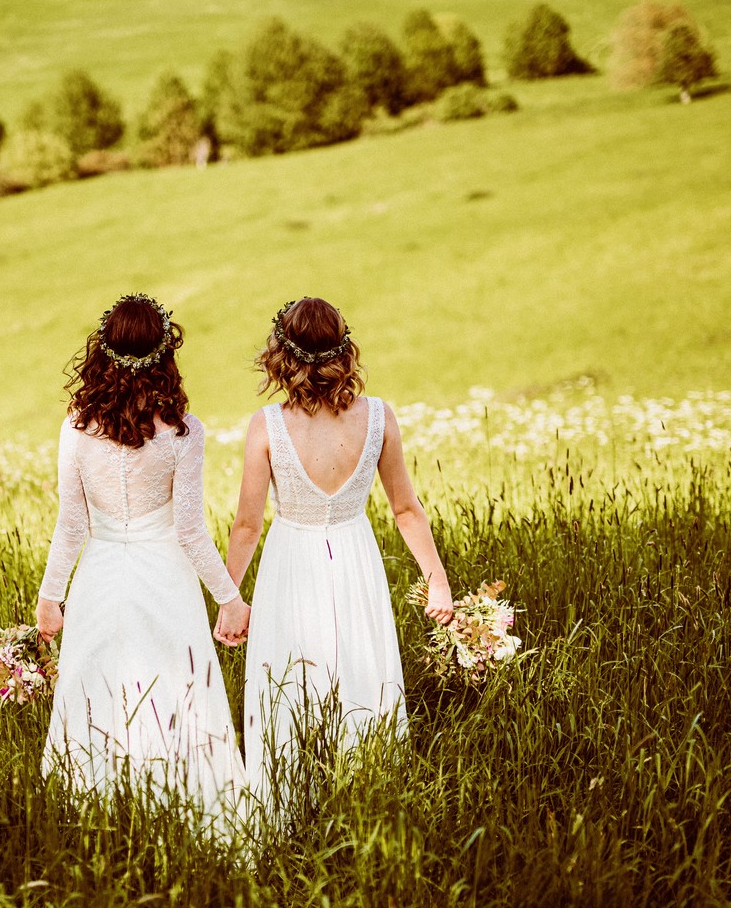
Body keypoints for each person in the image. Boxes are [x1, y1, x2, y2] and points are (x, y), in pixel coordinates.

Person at [226, 297, 456, 802]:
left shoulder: (267, 425)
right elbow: (405, 509)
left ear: (280, 356)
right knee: (362, 665)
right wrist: (436, 579)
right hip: (355, 556)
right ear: (344, 350)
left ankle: (286, 793)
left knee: (289, 676)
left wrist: (228, 596)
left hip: (291, 560)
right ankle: (371, 790)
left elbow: (247, 525)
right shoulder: (377, 417)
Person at [35, 293, 252, 825]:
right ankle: (186, 809)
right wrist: (230, 598)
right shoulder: (182, 431)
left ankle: (92, 819)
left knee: (98, 691)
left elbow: (73, 523)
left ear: (103, 354)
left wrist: (51, 595)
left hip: (101, 578)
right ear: (164, 355)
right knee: (178, 692)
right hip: (167, 577)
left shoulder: (77, 427)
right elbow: (190, 529)